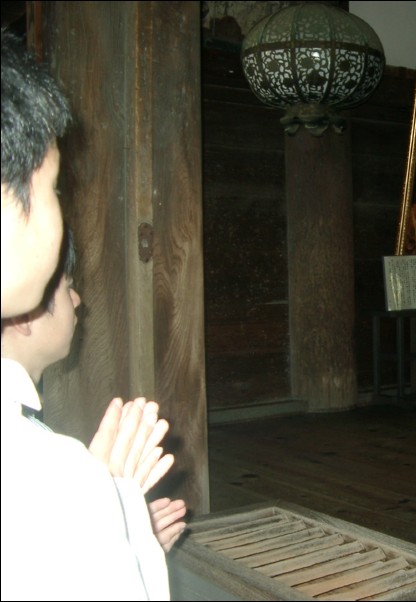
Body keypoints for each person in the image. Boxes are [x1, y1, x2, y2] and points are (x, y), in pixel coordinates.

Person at [1, 29, 177, 600]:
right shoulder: (51, 479)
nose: (78, 299)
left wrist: (108, 509)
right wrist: (110, 506)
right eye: (53, 186)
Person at [1, 227, 188, 553]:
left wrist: (131, 532)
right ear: (24, 312)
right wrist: (100, 502)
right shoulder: (28, 452)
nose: (77, 300)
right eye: (68, 288)